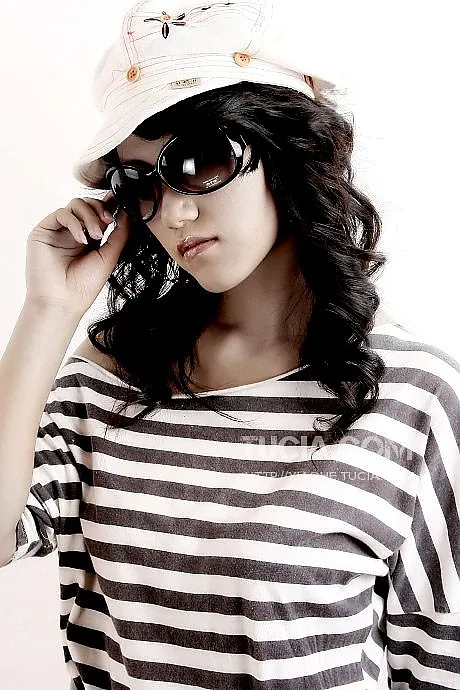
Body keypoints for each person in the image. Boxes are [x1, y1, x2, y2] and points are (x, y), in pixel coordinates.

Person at [1, 1, 459, 688]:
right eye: (140, 183)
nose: (173, 212)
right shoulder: (106, 380)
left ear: (287, 152)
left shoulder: (414, 396)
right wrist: (47, 311)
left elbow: (439, 662)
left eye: (197, 160)